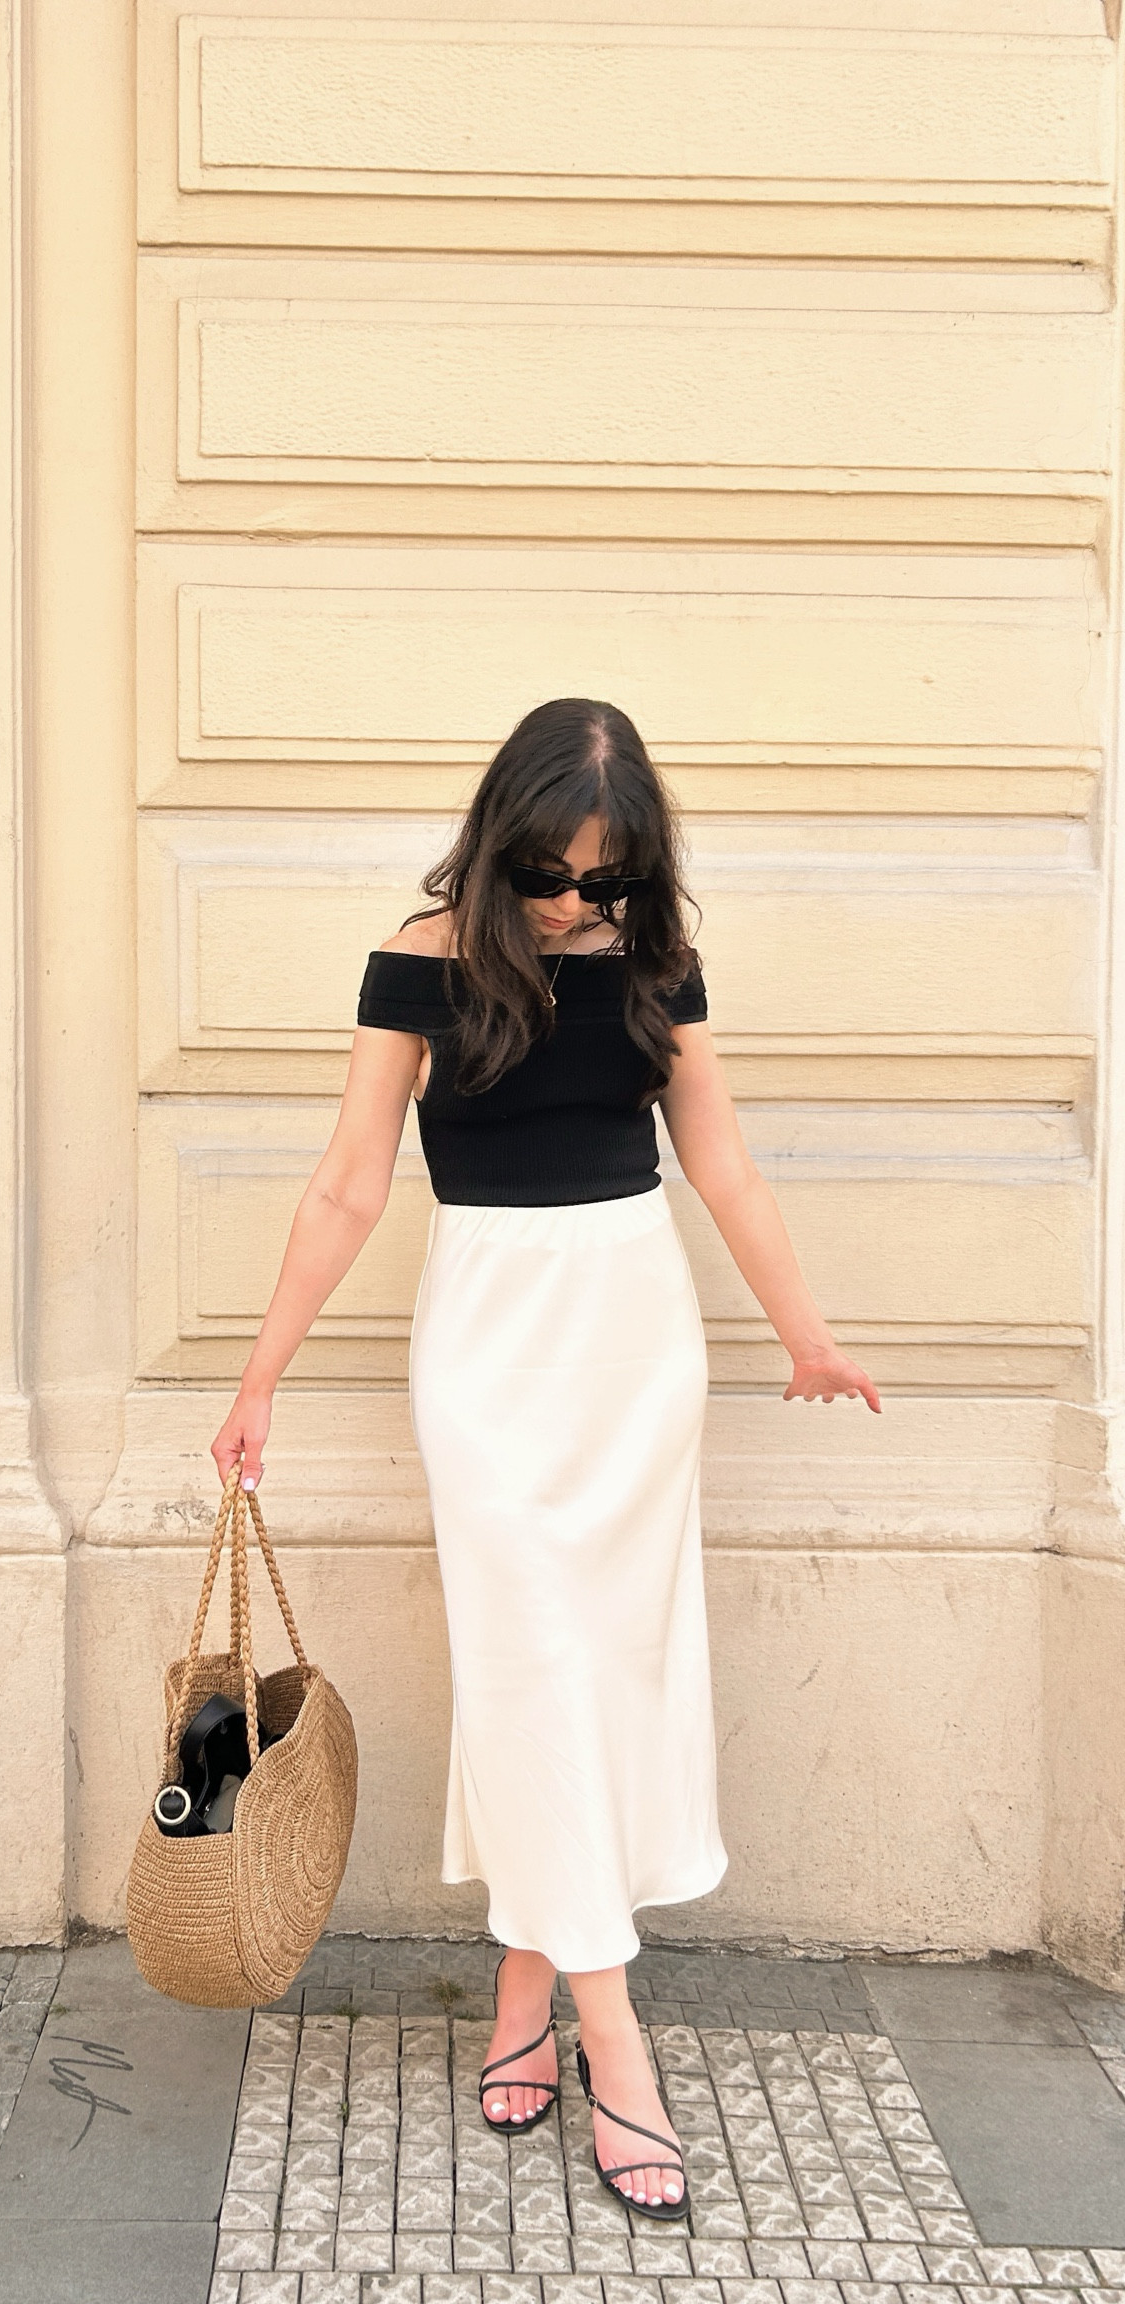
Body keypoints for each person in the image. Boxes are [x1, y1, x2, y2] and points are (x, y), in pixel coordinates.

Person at [211, 697, 880, 2219]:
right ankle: (614, 2039)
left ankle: (527, 1977)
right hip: (489, 1332)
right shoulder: (423, 961)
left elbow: (719, 1156)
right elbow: (345, 1185)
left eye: (609, 879)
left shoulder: (656, 965)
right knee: (532, 1661)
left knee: (605, 1669)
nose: (579, 902)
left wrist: (806, 1334)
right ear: (493, 840)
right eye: (550, 873)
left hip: (634, 1336)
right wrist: (262, 1377)